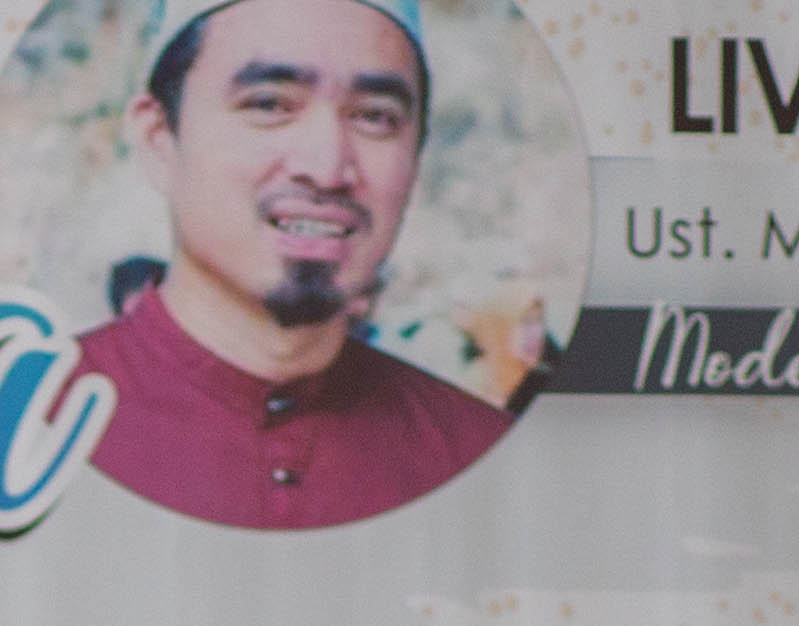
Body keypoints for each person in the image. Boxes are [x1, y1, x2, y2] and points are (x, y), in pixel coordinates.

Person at [69, 0, 518, 534]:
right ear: (159, 139)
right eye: (269, 104)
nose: (326, 168)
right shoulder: (22, 431)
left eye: (375, 117)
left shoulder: (487, 460)